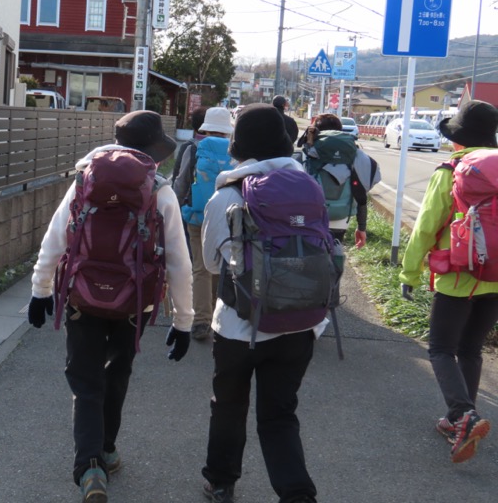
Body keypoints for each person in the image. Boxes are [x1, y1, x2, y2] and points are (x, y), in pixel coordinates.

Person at [27, 110, 194, 502]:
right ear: (154, 148)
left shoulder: (85, 179)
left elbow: (56, 237)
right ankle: (107, 449)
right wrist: (184, 321)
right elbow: (180, 263)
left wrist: (40, 289)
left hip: (81, 295)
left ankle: (89, 468)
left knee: (85, 381)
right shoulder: (160, 190)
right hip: (135, 301)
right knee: (117, 373)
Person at [199, 103, 322, 503]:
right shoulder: (309, 187)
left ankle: (220, 483)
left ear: (239, 144)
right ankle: (297, 494)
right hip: (300, 322)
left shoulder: (228, 194)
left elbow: (210, 262)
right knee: (280, 415)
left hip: (238, 325)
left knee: (229, 407)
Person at [400, 100, 497, 464]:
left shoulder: (451, 170)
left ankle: (463, 414)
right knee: (471, 350)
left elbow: (425, 228)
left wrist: (409, 273)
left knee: (441, 348)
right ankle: (458, 421)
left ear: (458, 139)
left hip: (458, 275)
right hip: (496, 278)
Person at [173, 106, 235, 341]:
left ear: (206, 128)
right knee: (222, 267)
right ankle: (218, 316)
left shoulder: (194, 148)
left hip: (198, 217)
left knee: (200, 268)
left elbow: (181, 183)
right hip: (228, 217)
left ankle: (200, 322)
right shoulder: (236, 152)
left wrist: (174, 212)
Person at [297, 113, 381, 247]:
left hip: (307, 219)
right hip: (341, 218)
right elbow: (361, 196)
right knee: (335, 248)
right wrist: (361, 228)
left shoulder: (305, 154)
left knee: (305, 252)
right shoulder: (356, 156)